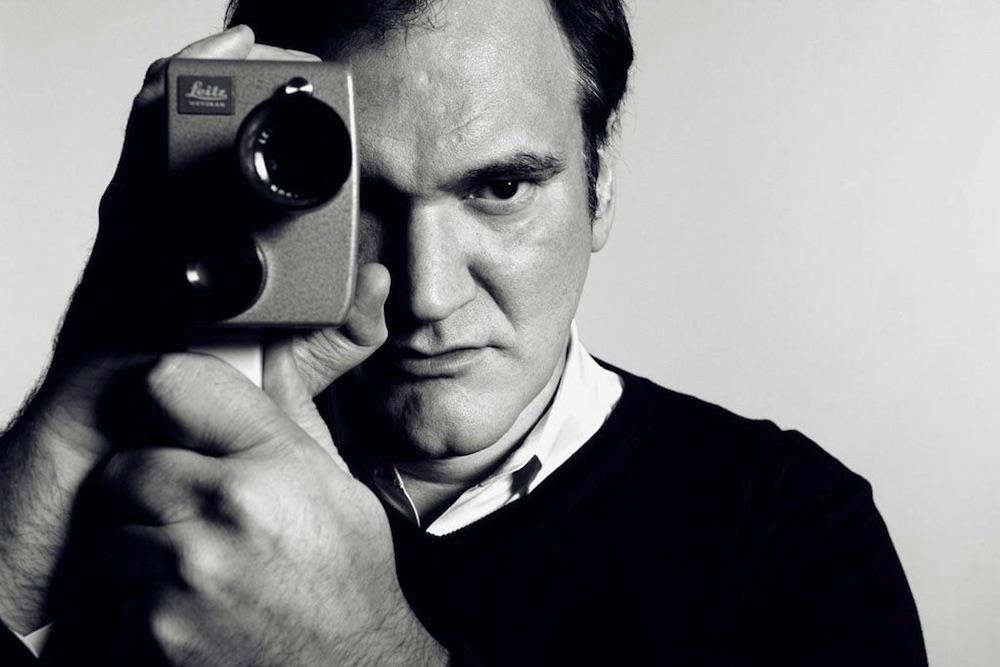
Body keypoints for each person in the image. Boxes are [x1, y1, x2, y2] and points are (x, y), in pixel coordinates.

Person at [0, 0, 927, 664]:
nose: (429, 293)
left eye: (499, 188)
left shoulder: (792, 533)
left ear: (601, 181)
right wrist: (88, 385)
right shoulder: (163, 479)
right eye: (360, 197)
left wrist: (362, 653)